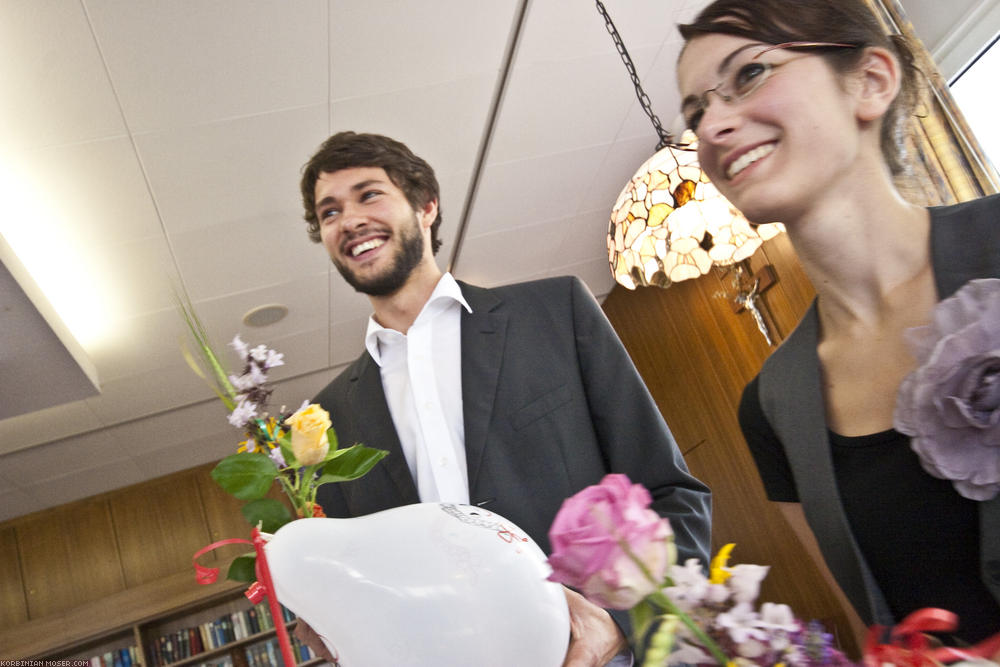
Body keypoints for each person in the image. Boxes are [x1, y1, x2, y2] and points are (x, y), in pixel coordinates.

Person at [297, 131, 712, 665]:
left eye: (369, 194)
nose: (348, 219)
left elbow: (672, 493)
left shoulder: (555, 313)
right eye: (329, 212)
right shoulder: (325, 421)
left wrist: (624, 626)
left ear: (426, 206)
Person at [675, 0, 1000, 643]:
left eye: (748, 74)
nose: (711, 126)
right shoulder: (772, 406)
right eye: (695, 113)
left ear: (872, 80)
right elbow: (869, 631)